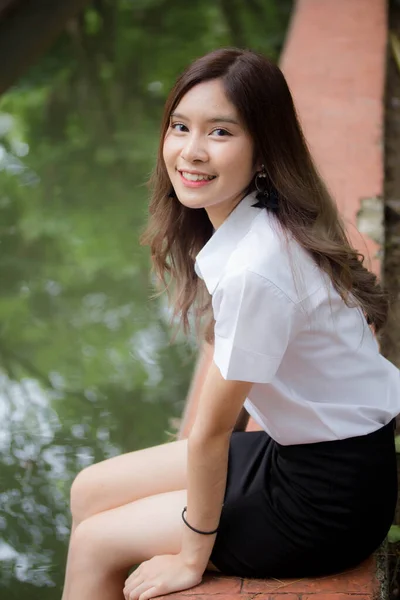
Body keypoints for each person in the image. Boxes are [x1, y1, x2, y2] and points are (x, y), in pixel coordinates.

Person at [61, 48, 400, 600]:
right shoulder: (262, 219)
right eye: (179, 126)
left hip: (326, 501)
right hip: (305, 452)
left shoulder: (257, 267)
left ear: (263, 149)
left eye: (220, 132)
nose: (191, 152)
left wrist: (191, 557)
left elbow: (211, 433)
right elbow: (241, 384)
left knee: (98, 539)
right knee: (89, 489)